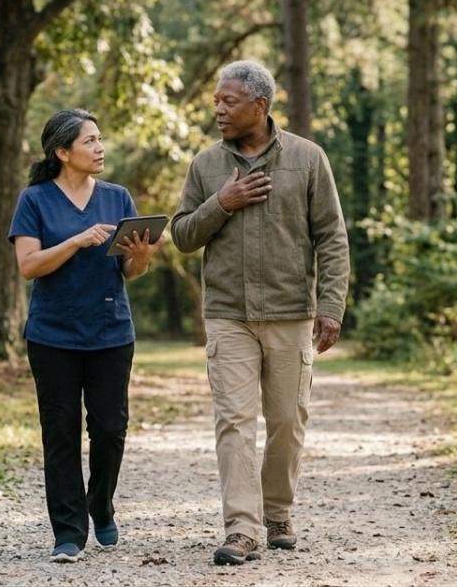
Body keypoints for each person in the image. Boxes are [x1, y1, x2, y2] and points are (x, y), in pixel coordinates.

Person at [171, 61, 349, 566]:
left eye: (229, 102)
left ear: (260, 106)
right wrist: (221, 203)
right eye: (216, 102)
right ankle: (242, 529)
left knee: (288, 420)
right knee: (234, 421)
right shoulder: (206, 166)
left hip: (292, 311)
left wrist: (331, 306)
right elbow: (182, 235)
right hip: (228, 315)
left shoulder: (308, 159)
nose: (219, 110)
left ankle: (277, 513)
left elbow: (332, 239)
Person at [8, 108, 165, 563]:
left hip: (111, 332)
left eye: (100, 139)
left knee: (111, 429)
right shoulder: (34, 200)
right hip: (53, 335)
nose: (100, 148)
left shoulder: (118, 198)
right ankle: (69, 531)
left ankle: (101, 503)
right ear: (62, 152)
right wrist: (76, 241)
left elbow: (131, 271)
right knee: (60, 433)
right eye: (89, 141)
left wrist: (142, 256)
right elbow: (28, 266)